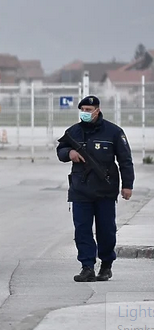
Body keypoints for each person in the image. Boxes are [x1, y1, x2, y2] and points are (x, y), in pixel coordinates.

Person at [56, 95, 134, 283]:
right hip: (80, 190)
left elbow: (125, 160)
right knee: (82, 230)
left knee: (106, 230)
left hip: (105, 190)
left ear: (97, 110)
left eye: (88, 110)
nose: (85, 113)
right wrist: (70, 153)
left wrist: (127, 185)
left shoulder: (113, 132)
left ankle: (106, 265)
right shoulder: (73, 132)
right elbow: (60, 151)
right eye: (82, 110)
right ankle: (87, 267)